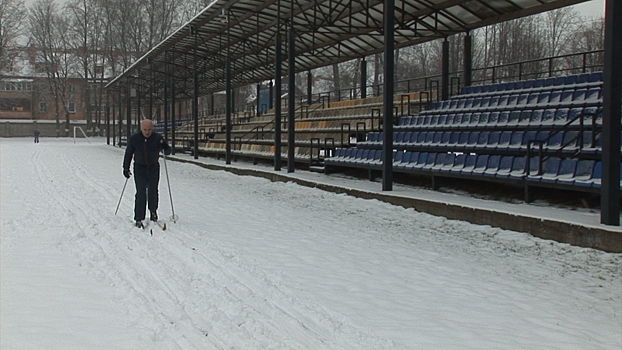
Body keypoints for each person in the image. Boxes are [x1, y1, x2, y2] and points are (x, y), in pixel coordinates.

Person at [123, 119, 171, 228]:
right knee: (141, 192)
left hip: (153, 167)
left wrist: (165, 146)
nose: (147, 132)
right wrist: (125, 168)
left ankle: (153, 211)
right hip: (139, 167)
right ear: (141, 128)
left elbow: (168, 151)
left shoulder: (157, 138)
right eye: (145, 129)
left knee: (153, 190)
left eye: (149, 129)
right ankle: (139, 217)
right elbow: (128, 153)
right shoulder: (135, 138)